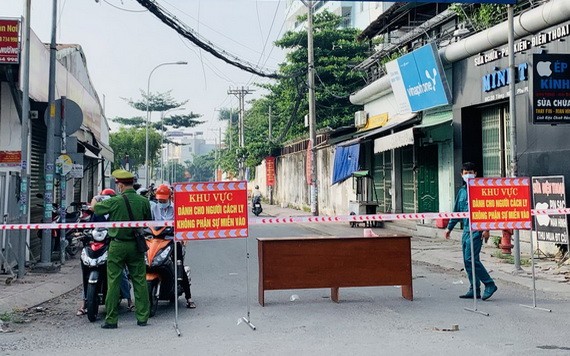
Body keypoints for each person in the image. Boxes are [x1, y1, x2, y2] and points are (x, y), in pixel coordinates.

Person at [93, 170, 151, 328]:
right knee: (139, 280)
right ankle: (142, 318)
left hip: (117, 245)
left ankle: (111, 320)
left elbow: (96, 209)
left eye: (117, 184)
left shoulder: (115, 201)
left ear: (120, 185)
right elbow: (148, 222)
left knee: (114, 282)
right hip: (136, 245)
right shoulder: (143, 201)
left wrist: (95, 198)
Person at [444, 162, 498, 301]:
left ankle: (489, 284)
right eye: (465, 172)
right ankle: (474, 289)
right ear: (461, 174)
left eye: (470, 172)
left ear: (475, 173)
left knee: (471, 259)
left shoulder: (481, 189)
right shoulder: (461, 192)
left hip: (477, 230)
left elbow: (488, 210)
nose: (468, 174)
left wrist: (486, 229)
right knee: (467, 261)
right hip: (466, 230)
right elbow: (457, 211)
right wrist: (449, 228)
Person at [77, 189, 133, 316]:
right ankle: (84, 303)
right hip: (98, 244)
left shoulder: (116, 212)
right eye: (104, 199)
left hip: (113, 244)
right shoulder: (97, 213)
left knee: (121, 273)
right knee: (86, 272)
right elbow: (90, 227)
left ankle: (129, 300)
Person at [151, 184, 196, 309]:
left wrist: (182, 237)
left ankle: (189, 297)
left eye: (163, 200)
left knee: (179, 264)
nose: (161, 202)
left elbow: (183, 223)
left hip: (173, 241)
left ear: (170, 198)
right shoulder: (154, 208)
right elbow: (149, 223)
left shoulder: (176, 208)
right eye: (159, 200)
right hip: (158, 241)